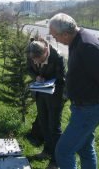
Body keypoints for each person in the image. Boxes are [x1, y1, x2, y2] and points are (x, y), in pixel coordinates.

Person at [49, 13, 99, 169]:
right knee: (85, 148)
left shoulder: (86, 45)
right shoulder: (76, 41)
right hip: (83, 107)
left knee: (63, 151)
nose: (56, 40)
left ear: (66, 34)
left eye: (56, 37)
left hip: (89, 109)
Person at [27, 38, 65, 168]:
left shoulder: (57, 57)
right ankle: (47, 151)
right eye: (34, 59)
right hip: (40, 94)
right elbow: (29, 69)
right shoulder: (31, 52)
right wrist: (35, 77)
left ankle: (56, 160)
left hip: (55, 96)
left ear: (46, 52)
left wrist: (49, 81)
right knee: (43, 123)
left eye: (39, 59)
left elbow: (63, 80)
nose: (36, 62)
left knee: (54, 127)